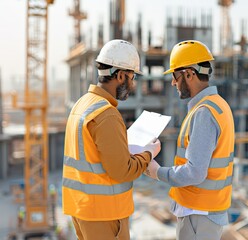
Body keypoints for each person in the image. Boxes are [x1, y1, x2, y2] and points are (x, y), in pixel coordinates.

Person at [62, 39, 161, 240]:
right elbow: (121, 170)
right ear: (121, 75)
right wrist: (149, 153)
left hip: (82, 209)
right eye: (132, 77)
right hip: (104, 214)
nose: (132, 84)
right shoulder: (107, 114)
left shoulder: (82, 105)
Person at [145, 40, 235, 240]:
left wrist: (157, 172)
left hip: (198, 215)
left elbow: (195, 172)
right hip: (204, 214)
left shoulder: (204, 113)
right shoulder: (218, 105)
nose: (173, 82)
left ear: (189, 74)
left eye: (175, 76)